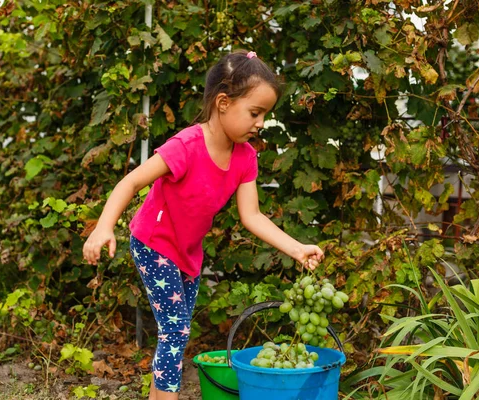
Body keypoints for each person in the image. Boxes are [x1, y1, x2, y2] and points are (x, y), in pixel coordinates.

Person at [83, 49, 324, 400]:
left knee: (174, 331)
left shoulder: (245, 157)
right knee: (176, 330)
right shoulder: (187, 146)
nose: (260, 123)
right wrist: (104, 226)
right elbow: (130, 183)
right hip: (154, 243)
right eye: (255, 112)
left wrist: (297, 248)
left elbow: (252, 216)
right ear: (223, 103)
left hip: (187, 253)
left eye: (265, 115)